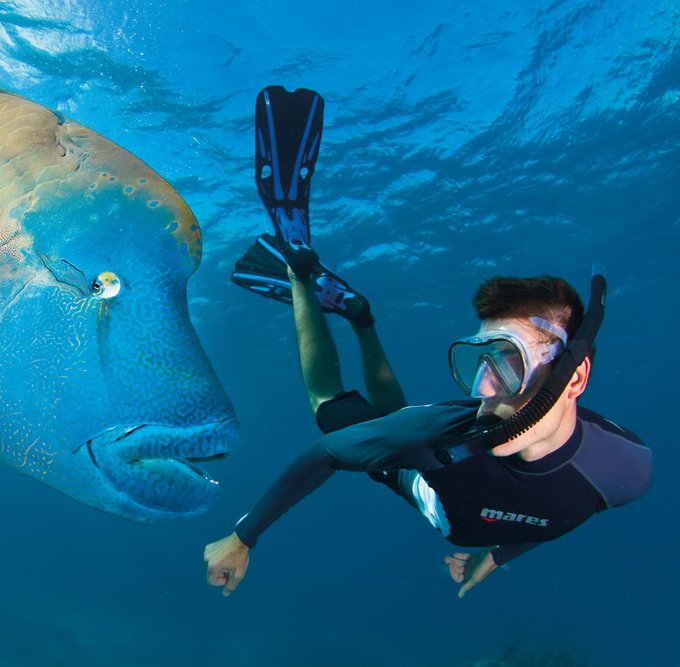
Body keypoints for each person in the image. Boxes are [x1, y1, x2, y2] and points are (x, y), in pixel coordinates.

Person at [205, 85, 653, 598]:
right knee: (331, 408)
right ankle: (299, 271)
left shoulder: (628, 470)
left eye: (508, 360)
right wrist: (243, 537)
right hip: (416, 457)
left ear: (574, 377)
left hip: (425, 456)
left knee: (398, 425)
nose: (483, 390)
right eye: (475, 359)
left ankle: (359, 315)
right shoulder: (450, 428)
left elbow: (566, 508)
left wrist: (498, 555)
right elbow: (324, 454)